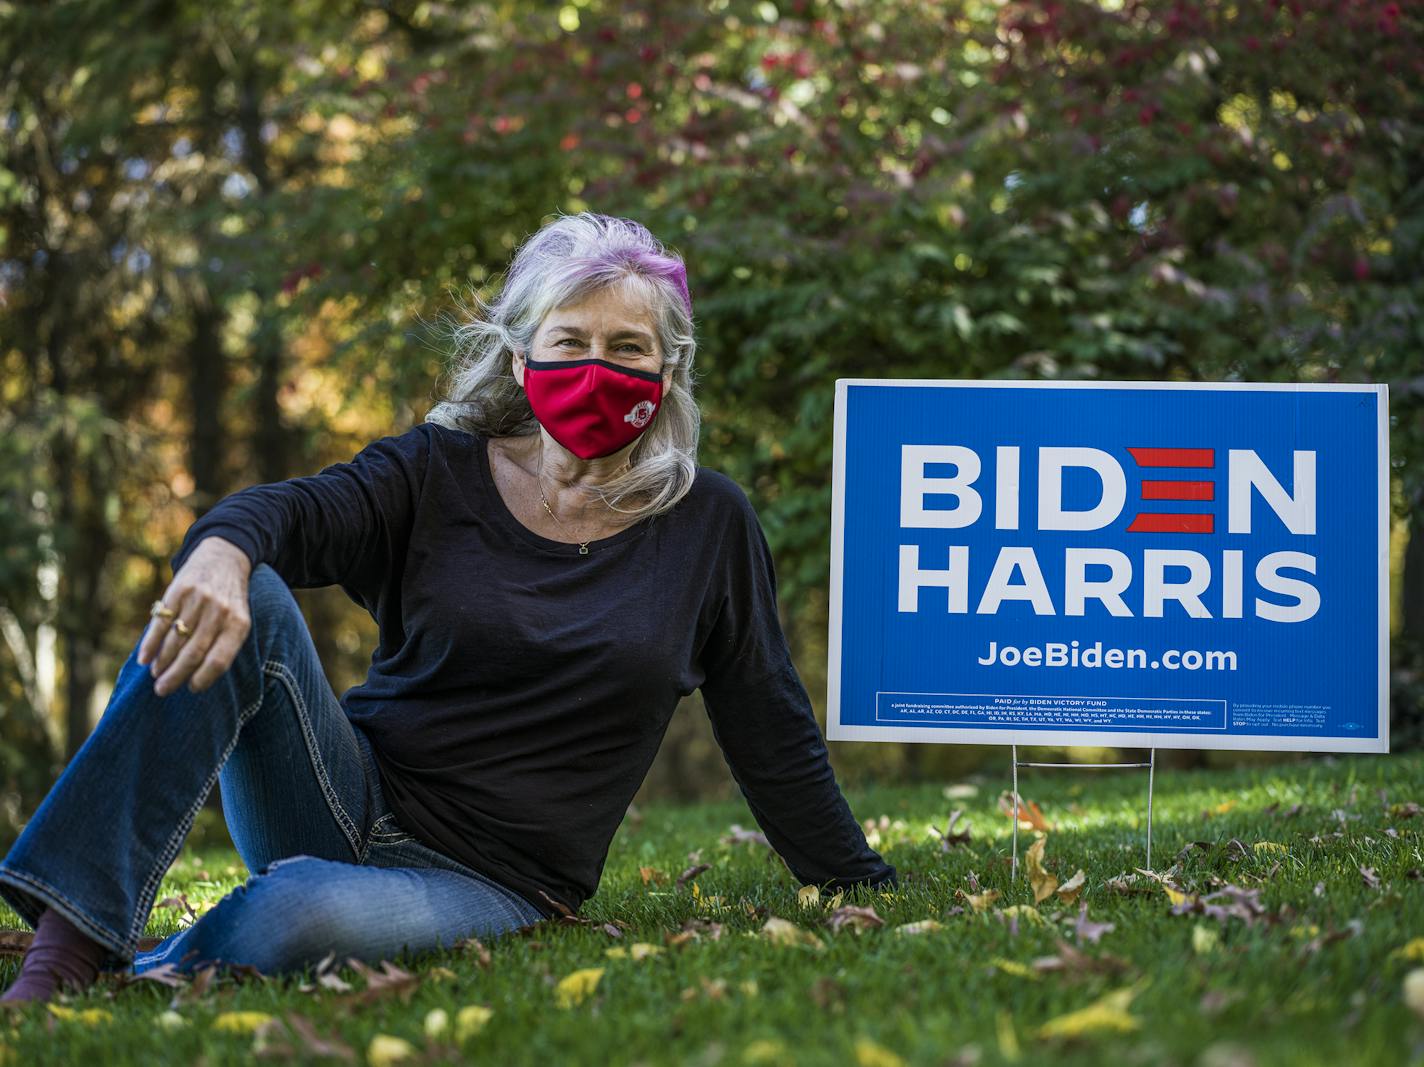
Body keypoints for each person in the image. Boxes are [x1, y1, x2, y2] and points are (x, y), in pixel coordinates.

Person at [0, 212, 896, 1005]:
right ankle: (68, 947)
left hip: (493, 879)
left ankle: (165, 960)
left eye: (628, 348)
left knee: (296, 917)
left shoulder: (708, 522)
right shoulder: (436, 470)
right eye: (570, 340)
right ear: (522, 359)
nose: (597, 368)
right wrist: (221, 554)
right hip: (341, 791)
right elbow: (291, 511)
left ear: (667, 369)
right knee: (251, 590)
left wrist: (856, 881)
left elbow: (769, 725)